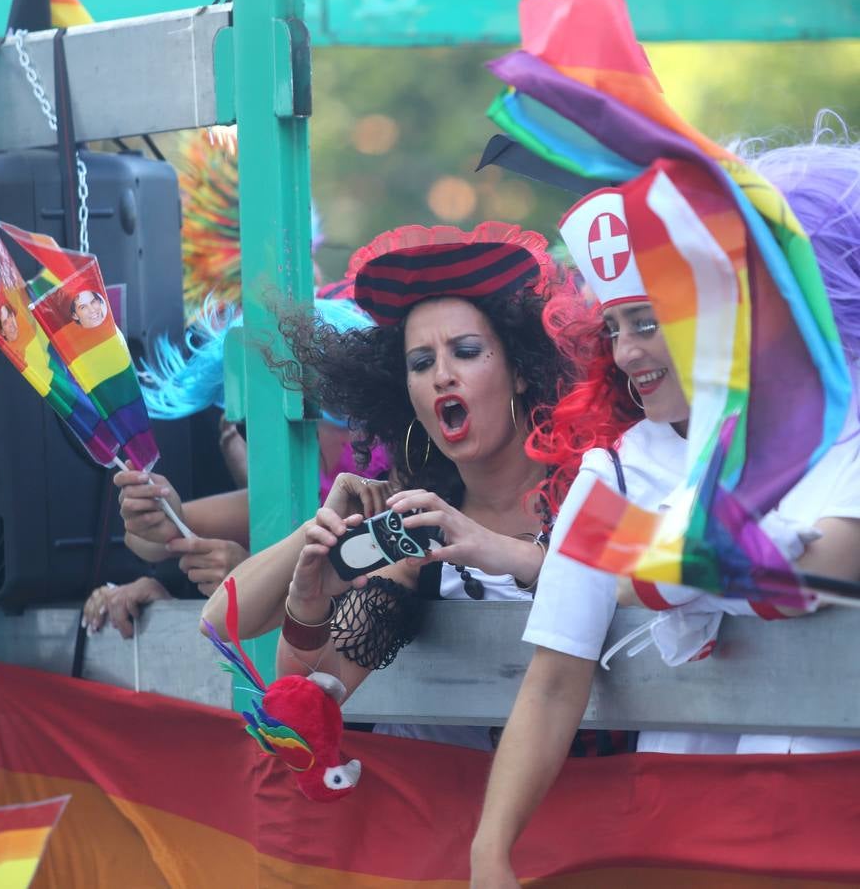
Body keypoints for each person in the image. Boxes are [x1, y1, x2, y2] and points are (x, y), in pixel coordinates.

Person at [470, 136, 860, 886]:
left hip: (832, 823)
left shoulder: (834, 430)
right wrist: (491, 853)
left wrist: (668, 565)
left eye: (647, 323)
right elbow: (554, 677)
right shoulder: (617, 470)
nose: (624, 353)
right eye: (613, 328)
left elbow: (835, 562)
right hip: (687, 825)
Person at [204, 220, 627, 752]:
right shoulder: (419, 537)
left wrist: (506, 554)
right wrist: (309, 586)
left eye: (467, 352)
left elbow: (648, 589)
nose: (442, 376)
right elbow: (300, 684)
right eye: (421, 363)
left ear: (521, 371)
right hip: (450, 818)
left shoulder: (602, 482)